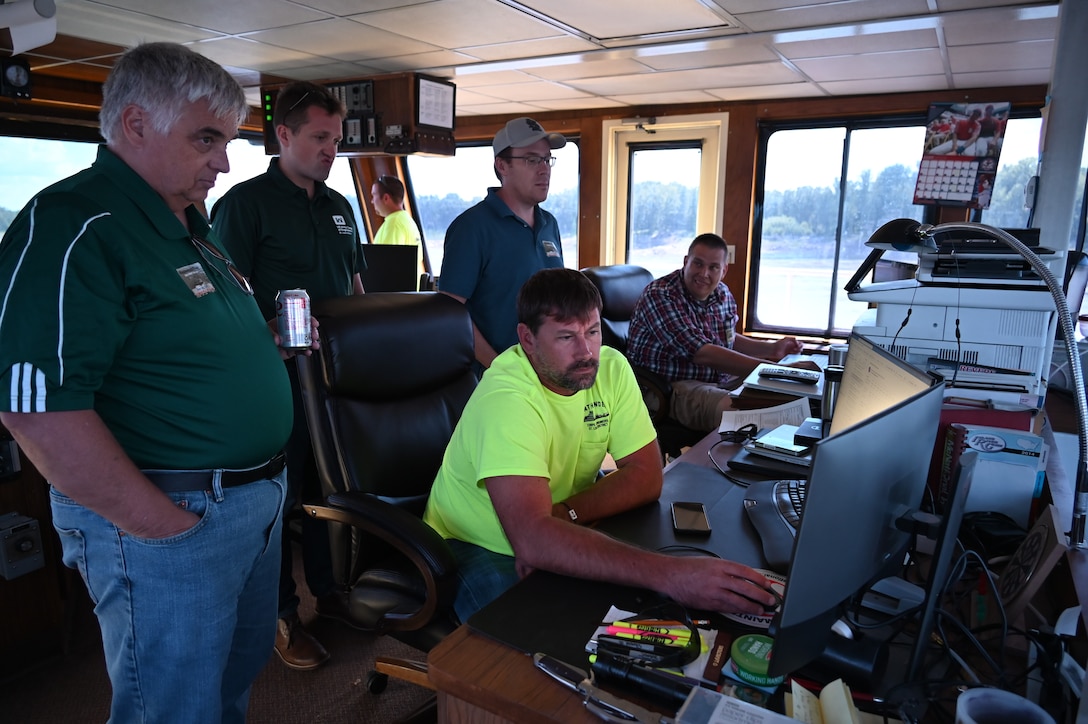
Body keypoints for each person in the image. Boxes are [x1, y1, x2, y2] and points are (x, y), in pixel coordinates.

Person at [0, 42, 308, 723]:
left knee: (227, 690)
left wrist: (259, 359)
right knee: (170, 710)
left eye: (227, 141)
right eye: (207, 139)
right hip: (175, 516)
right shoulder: (73, 227)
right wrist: (166, 530)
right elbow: (35, 411)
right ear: (135, 125)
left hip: (249, 506)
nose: (224, 163)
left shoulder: (189, 225)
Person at [423, 268, 776, 623]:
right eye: (565, 337)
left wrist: (564, 516)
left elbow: (646, 477)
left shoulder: (610, 368)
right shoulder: (507, 398)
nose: (586, 352)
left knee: (633, 617)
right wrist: (673, 574)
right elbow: (531, 538)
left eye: (592, 332)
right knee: (536, 644)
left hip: (554, 521)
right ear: (527, 339)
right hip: (472, 542)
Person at [211, 80, 366, 671]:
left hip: (336, 383)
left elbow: (354, 288)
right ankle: (278, 617)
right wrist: (268, 335)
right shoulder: (244, 206)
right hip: (276, 386)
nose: (331, 150)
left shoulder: (339, 207)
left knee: (332, 494)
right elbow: (223, 303)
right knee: (277, 504)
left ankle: (331, 594)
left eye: (337, 139)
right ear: (283, 135)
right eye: (319, 138)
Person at [627, 233, 813, 432]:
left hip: (719, 381)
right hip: (670, 387)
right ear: (685, 262)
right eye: (698, 264)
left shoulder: (722, 293)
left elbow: (727, 338)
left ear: (723, 270)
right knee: (742, 412)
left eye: (713, 267)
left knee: (785, 397)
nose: (704, 274)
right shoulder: (661, 294)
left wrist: (772, 349)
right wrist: (777, 372)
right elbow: (702, 352)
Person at [440, 117, 566, 373]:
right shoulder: (472, 228)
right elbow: (451, 312)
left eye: (547, 159)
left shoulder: (549, 224)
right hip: (492, 379)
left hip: (545, 373)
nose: (544, 169)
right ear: (502, 165)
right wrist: (499, 367)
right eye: (532, 160)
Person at [370, 173, 425, 276]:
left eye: (374, 195)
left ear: (386, 198)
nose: (372, 201)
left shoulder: (394, 225)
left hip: (394, 291)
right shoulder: (406, 220)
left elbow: (386, 267)